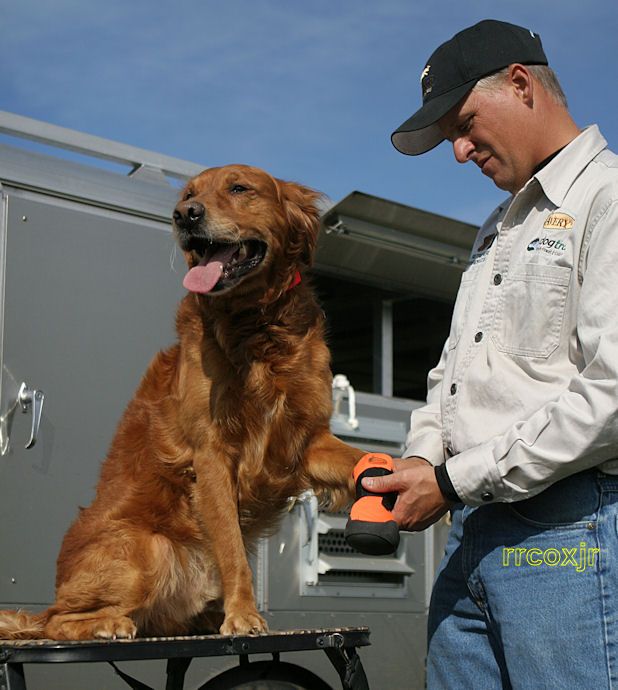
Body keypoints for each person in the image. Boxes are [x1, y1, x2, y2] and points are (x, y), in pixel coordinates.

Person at [363, 18, 618, 689]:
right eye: (449, 135)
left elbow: (611, 395)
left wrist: (448, 482)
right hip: (472, 530)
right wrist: (420, 458)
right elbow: (452, 374)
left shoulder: (607, 198)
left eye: (464, 122)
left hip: (567, 527)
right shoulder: (495, 231)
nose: (458, 150)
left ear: (521, 83)